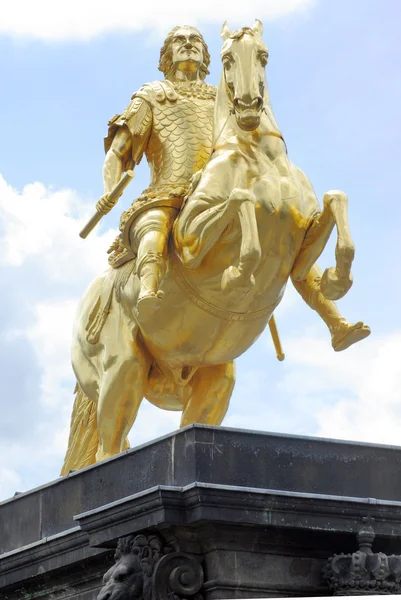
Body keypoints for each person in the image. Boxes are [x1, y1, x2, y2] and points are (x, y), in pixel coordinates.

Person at [97, 24, 369, 350]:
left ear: (207, 54)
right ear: (166, 55)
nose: (189, 45)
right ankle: (149, 292)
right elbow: (118, 151)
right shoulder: (154, 95)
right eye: (179, 41)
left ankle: (334, 321)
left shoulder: (225, 94)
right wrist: (108, 191)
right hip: (168, 193)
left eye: (195, 40)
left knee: (287, 227)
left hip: (224, 183)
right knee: (155, 228)